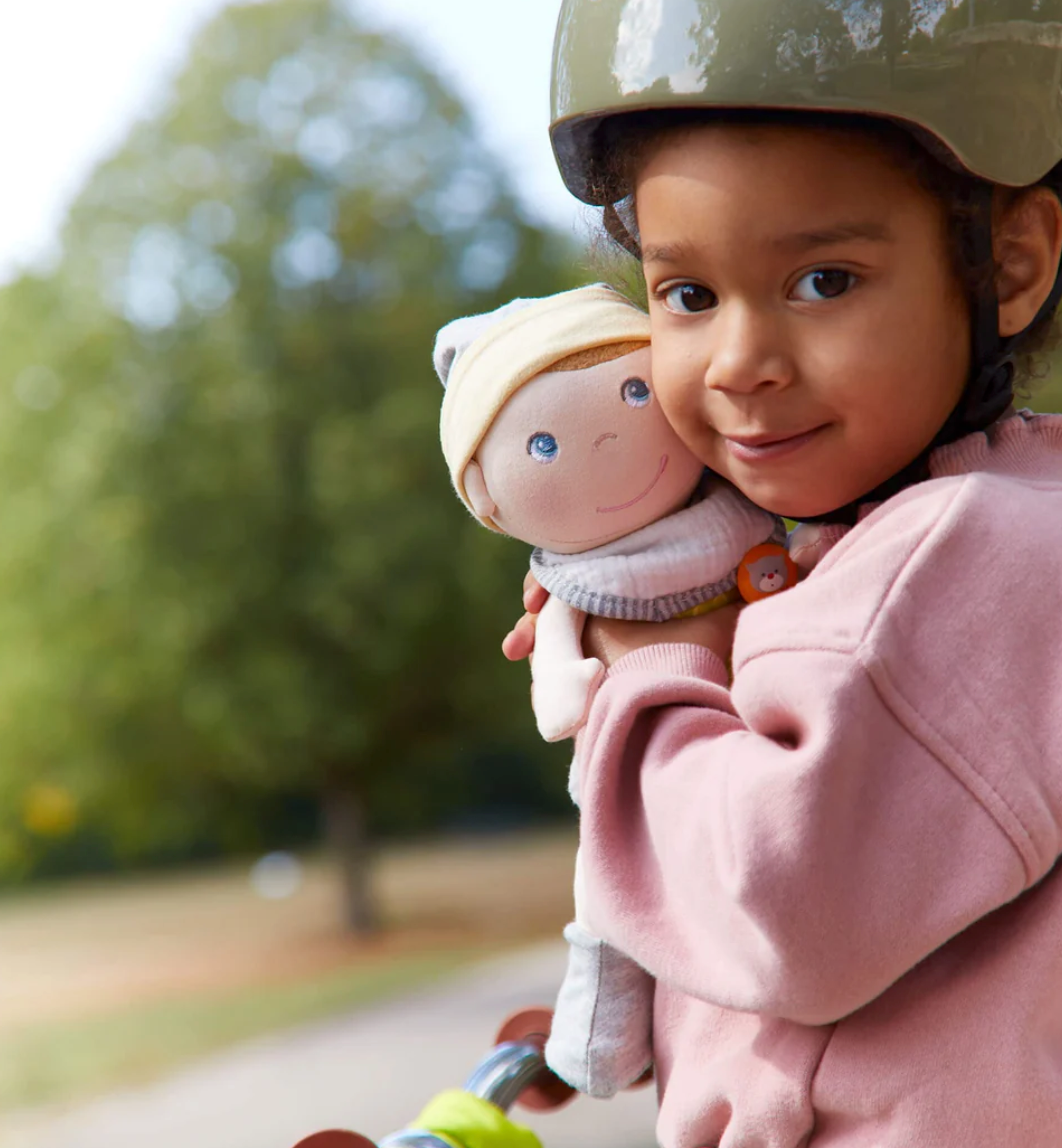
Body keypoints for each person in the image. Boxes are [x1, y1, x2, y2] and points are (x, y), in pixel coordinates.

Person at [502, 2, 1062, 1145]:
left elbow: (784, 906)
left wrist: (639, 671)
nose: (742, 363)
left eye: (824, 281)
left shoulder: (968, 550)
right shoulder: (899, 538)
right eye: (689, 297)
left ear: (1007, 266)